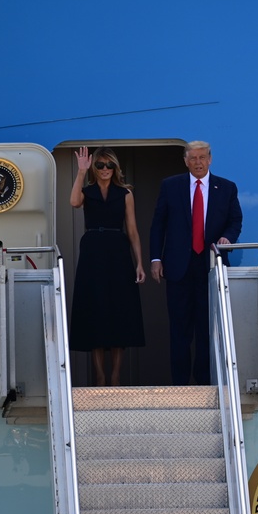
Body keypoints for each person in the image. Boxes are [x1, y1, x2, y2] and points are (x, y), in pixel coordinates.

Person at [149, 141, 243, 385]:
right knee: (179, 330)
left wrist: (228, 238)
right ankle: (180, 385)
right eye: (193, 158)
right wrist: (156, 258)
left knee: (207, 328)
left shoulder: (227, 188)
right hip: (179, 268)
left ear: (210, 159)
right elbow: (158, 224)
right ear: (185, 161)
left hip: (211, 267)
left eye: (202, 157)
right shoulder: (171, 186)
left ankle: (204, 383)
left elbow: (235, 221)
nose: (198, 162)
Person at [69, 146, 146, 386]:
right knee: (95, 313)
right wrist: (81, 172)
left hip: (118, 252)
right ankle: (100, 377)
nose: (105, 170)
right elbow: (73, 202)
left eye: (109, 165)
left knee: (118, 313)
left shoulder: (125, 193)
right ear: (95, 167)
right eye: (100, 165)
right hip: (92, 252)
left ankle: (115, 376)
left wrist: (139, 263)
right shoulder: (87, 191)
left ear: (116, 168)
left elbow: (132, 230)